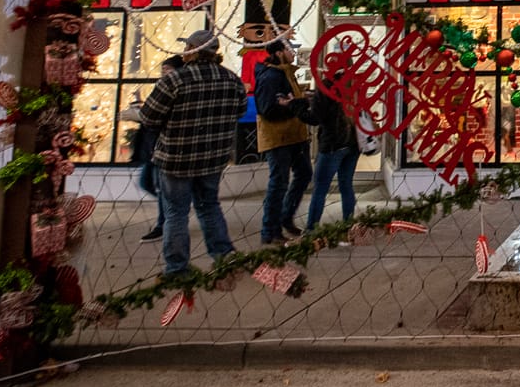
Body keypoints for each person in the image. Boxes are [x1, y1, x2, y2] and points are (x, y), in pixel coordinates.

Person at [138, 30, 246, 278]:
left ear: (195, 50)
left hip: (176, 158)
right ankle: (223, 256)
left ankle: (177, 267)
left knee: (176, 212)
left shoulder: (175, 81)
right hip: (212, 158)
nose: (184, 51)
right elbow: (240, 110)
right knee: (209, 206)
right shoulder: (231, 79)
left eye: (187, 46)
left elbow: (148, 116)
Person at [255, 38, 315, 243]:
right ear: (279, 52)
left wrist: (300, 100)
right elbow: (266, 109)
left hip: (296, 136)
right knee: (278, 183)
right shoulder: (270, 77)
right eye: (290, 49)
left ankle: (285, 218)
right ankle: (270, 231)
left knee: (304, 174)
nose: (293, 52)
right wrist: (296, 105)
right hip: (279, 138)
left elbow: (289, 101)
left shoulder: (287, 73)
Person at [123, 54, 184, 242]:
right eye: (163, 70)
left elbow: (155, 116)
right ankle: (171, 215)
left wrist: (140, 115)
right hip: (150, 146)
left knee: (161, 188)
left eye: (168, 70)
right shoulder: (163, 88)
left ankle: (165, 222)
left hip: (162, 147)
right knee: (148, 184)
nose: (164, 74)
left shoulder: (175, 89)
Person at [304, 77, 361, 231]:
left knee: (320, 188)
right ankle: (348, 225)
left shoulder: (326, 87)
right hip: (353, 143)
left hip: (332, 144)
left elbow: (314, 118)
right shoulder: (354, 85)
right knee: (346, 185)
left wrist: (295, 106)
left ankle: (311, 229)